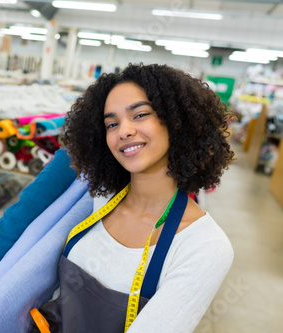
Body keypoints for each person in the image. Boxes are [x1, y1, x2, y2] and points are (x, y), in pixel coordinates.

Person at [30, 63, 235, 333]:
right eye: (112, 124)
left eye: (140, 115)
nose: (123, 131)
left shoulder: (204, 246)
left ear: (176, 121)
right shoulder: (100, 199)